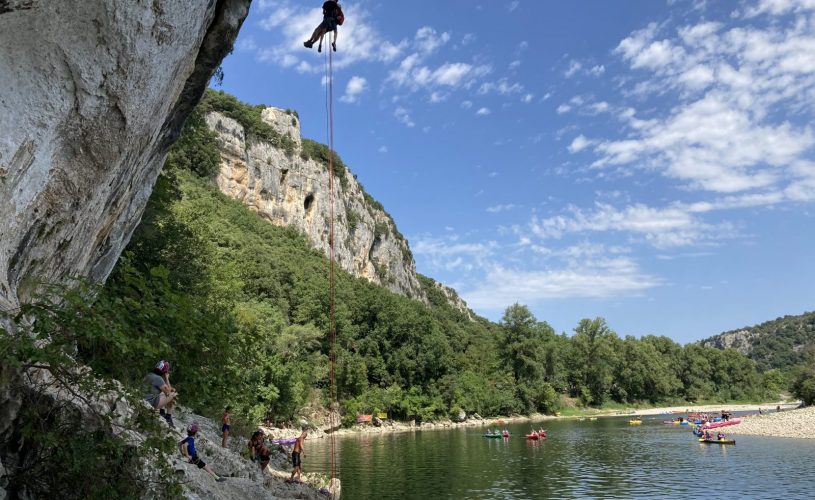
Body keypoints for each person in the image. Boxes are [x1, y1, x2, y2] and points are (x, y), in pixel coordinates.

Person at [144, 360, 177, 427]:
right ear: (164, 371)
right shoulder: (158, 379)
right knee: (173, 393)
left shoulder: (149, 375)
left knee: (162, 392)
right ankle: (168, 417)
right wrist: (167, 378)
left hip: (144, 399)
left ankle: (162, 411)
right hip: (150, 403)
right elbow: (169, 392)